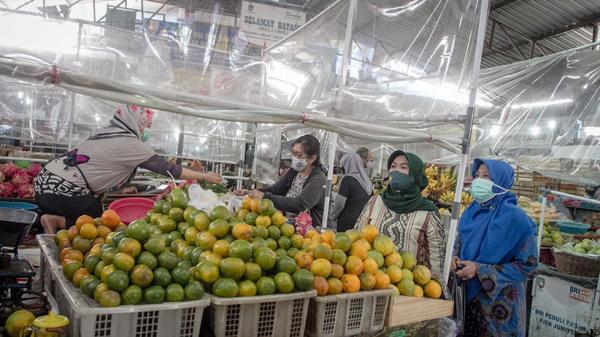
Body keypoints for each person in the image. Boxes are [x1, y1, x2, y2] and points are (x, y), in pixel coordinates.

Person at [35, 105, 222, 233]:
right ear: (135, 122)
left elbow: (102, 167)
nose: (146, 130)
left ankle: (53, 220)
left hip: (45, 182)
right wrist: (205, 176)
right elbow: (168, 169)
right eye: (146, 125)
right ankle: (56, 221)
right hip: (64, 188)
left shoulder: (107, 133)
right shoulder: (130, 144)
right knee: (100, 224)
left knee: (94, 217)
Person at [451, 159, 537, 337]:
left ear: (501, 182)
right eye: (477, 175)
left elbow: (529, 267)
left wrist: (479, 270)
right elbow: (459, 244)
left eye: (486, 176)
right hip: (466, 301)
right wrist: (453, 258)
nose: (478, 181)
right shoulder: (470, 212)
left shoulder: (517, 220)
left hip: (500, 311)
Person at [354, 150, 446, 277]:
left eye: (403, 167)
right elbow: (357, 237)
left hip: (410, 288)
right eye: (393, 166)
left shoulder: (428, 213)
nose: (396, 171)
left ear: (415, 174)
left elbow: (437, 262)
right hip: (371, 281)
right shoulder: (375, 202)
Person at [240, 134, 326, 227]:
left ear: (312, 158)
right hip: (288, 226)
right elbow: (275, 190)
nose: (295, 158)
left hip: (309, 233)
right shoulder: (294, 171)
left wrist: (265, 197)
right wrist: (251, 192)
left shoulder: (318, 180)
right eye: (293, 153)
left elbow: (300, 204)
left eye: (299, 155)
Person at [330, 152, 373, 231]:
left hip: (346, 224)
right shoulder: (368, 181)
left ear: (347, 165)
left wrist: (331, 217)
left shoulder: (347, 179)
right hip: (361, 223)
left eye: (343, 167)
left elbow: (339, 204)